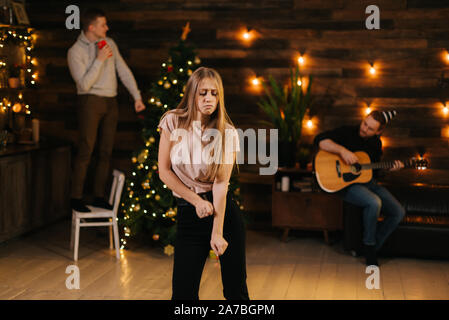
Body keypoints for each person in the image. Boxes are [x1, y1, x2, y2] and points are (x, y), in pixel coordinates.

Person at [157, 67, 249, 300]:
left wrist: (217, 233)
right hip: (189, 212)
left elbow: (221, 184)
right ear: (192, 94)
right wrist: (196, 201)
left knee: (236, 292)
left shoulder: (227, 133)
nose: (209, 98)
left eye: (214, 93)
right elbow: (164, 172)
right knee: (183, 295)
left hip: (223, 214)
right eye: (203, 93)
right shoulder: (172, 121)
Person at [67, 8, 145, 212]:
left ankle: (98, 196)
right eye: (103, 24)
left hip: (111, 102)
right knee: (86, 150)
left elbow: (123, 70)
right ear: (91, 27)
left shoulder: (109, 43)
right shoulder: (75, 51)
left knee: (106, 151)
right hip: (90, 101)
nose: (107, 28)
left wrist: (136, 96)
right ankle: (76, 197)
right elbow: (84, 85)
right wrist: (99, 60)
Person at [314, 110, 406, 266]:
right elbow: (320, 141)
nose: (364, 129)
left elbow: (373, 171)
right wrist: (343, 151)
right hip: (346, 184)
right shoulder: (347, 132)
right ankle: (370, 248)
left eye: (370, 129)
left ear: (379, 131)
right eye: (365, 123)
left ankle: (368, 247)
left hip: (368, 182)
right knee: (374, 202)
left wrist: (390, 168)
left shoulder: (376, 143)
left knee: (398, 212)